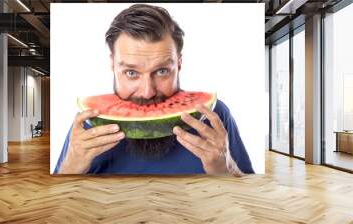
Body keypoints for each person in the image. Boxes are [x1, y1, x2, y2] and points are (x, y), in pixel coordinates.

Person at [54, 4, 254, 175]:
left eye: (161, 71)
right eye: (131, 73)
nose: (147, 92)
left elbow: (249, 199)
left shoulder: (214, 116)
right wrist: (71, 166)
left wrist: (225, 169)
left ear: (179, 64)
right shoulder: (89, 123)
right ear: (113, 65)